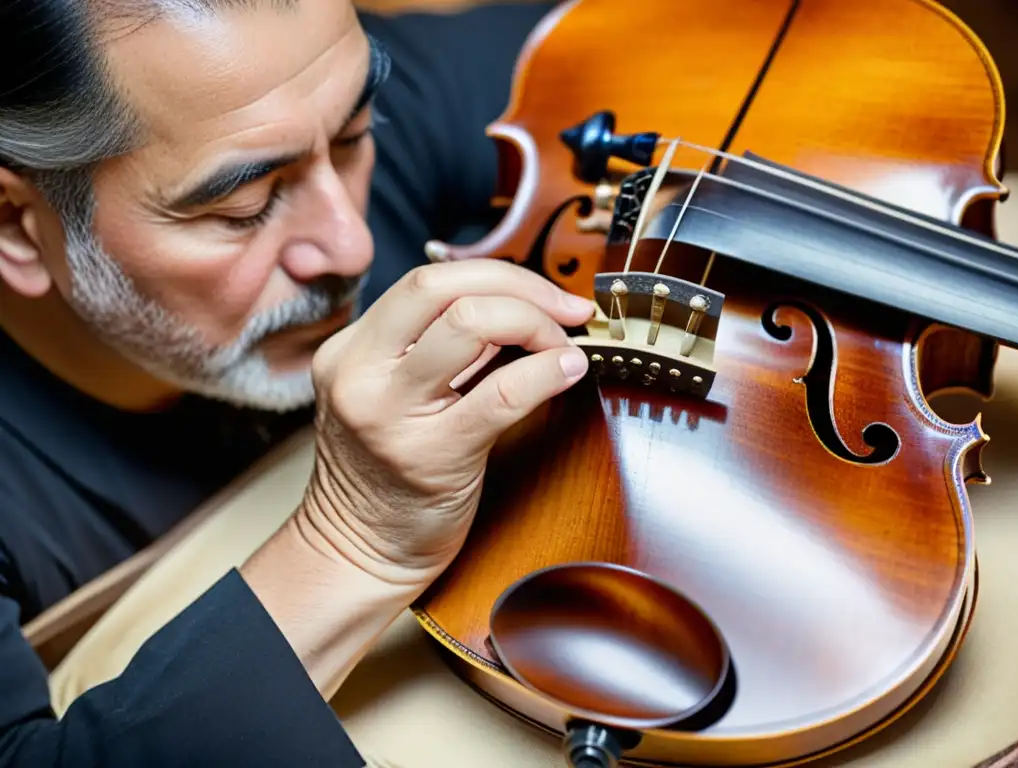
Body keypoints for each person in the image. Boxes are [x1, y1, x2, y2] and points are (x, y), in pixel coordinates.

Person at [0, 0, 589, 764]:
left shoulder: (302, 99)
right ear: (16, 224)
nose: (352, 245)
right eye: (243, 208)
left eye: (354, 137)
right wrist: (355, 539)